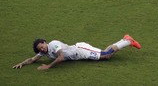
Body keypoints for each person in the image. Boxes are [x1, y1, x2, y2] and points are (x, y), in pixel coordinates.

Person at [12, 34, 141, 70]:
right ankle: (124, 40)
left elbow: (61, 57)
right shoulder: (44, 52)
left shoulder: (53, 44)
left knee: (106, 56)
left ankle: (127, 41)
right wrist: (22, 63)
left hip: (80, 50)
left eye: (42, 46)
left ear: (45, 42)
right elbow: (32, 59)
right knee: (104, 53)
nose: (42, 49)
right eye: (40, 49)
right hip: (78, 54)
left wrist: (48, 66)